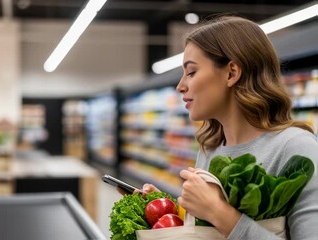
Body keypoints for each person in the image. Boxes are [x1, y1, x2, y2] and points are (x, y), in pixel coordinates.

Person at [133, 16, 318, 239]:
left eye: (191, 72)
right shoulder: (211, 147)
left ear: (231, 73)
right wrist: (166, 210)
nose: (180, 86)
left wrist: (219, 212)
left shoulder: (295, 147)